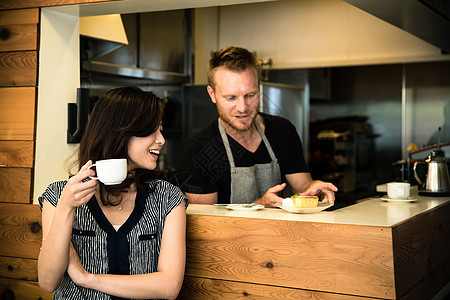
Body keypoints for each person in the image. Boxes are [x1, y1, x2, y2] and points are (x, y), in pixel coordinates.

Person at [38, 87, 188, 299]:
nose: (161, 139)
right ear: (120, 133)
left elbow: (169, 286)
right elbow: (47, 281)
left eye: (161, 130)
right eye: (151, 131)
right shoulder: (59, 195)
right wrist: (66, 208)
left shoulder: (168, 198)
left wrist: (87, 278)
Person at [180, 46, 337, 207]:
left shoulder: (282, 131)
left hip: (280, 233)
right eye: (231, 97)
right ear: (212, 94)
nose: (242, 107)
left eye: (250, 95)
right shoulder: (199, 150)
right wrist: (260, 205)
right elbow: (205, 222)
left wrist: (314, 189)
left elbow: (303, 187)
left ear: (259, 87)